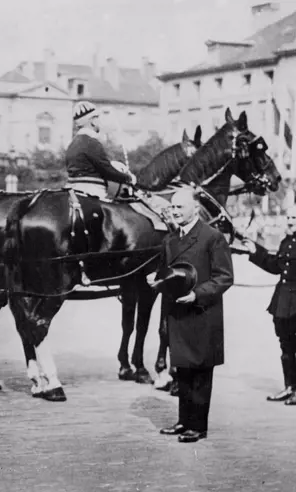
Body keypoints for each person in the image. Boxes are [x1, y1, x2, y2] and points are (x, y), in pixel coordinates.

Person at [147, 188, 234, 443]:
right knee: (182, 369)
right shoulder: (171, 240)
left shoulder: (212, 237)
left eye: (180, 207)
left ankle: (198, 426)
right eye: (172, 207)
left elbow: (224, 277)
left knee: (201, 372)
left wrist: (198, 295)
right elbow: (168, 273)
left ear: (196, 209)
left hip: (202, 313)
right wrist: (157, 280)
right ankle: (184, 421)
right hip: (177, 313)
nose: (175, 212)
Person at [244, 206, 296, 404]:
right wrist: (255, 251)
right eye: (288, 217)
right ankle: (289, 387)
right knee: (286, 346)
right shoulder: (286, 241)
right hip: (283, 302)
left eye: (294, 217)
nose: (290, 221)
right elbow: (276, 266)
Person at [65, 101, 136, 199]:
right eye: (97, 117)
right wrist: (128, 178)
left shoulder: (72, 144)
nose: (99, 121)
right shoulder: (92, 143)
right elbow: (107, 171)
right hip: (91, 191)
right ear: (92, 121)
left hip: (72, 191)